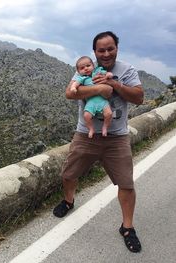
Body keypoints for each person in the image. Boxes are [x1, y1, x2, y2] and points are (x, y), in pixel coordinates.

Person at [53, 31, 144, 253]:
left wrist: (114, 84)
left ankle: (127, 227)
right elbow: (70, 92)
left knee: (126, 184)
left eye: (110, 48)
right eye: (101, 50)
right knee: (68, 174)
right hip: (86, 134)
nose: (106, 53)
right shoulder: (85, 67)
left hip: (117, 138)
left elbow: (139, 97)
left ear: (117, 48)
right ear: (94, 52)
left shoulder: (127, 70)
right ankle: (69, 201)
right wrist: (99, 88)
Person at [70, 56, 113, 138]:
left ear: (93, 65)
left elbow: (106, 74)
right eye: (82, 68)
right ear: (78, 71)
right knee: (86, 116)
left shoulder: (98, 71)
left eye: (88, 66)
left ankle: (105, 127)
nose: (86, 68)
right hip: (90, 102)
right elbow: (75, 83)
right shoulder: (82, 78)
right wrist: (73, 88)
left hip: (102, 100)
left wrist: (109, 75)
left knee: (109, 113)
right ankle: (91, 129)